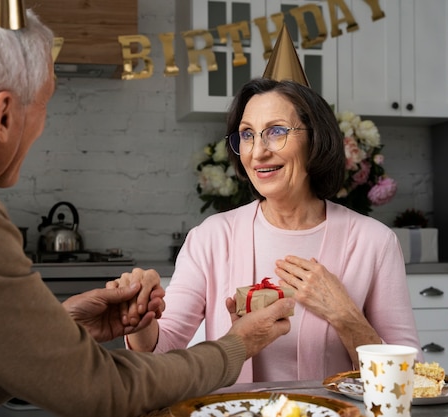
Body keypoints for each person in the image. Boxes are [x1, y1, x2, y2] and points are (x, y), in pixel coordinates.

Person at [0, 1, 296, 416]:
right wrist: (236, 346)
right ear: (1, 116)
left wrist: (57, 331)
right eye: (44, 103)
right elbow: (103, 392)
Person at [117, 77, 423, 383]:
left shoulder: (374, 242)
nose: (258, 152)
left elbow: (410, 380)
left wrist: (346, 317)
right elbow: (160, 353)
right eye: (247, 134)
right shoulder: (210, 238)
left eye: (276, 131)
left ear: (315, 139)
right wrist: (141, 320)